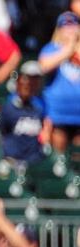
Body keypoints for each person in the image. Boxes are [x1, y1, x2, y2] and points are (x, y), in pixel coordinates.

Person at [38, 11, 80, 153]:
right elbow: (44, 66)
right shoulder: (51, 48)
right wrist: (68, 49)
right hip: (58, 115)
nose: (71, 30)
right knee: (58, 157)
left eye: (74, 25)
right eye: (66, 26)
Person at [0, 61, 51, 164]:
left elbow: (45, 128)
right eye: (28, 78)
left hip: (34, 161)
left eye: (36, 79)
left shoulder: (40, 107)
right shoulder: (9, 107)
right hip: (13, 160)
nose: (30, 83)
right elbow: (1, 132)